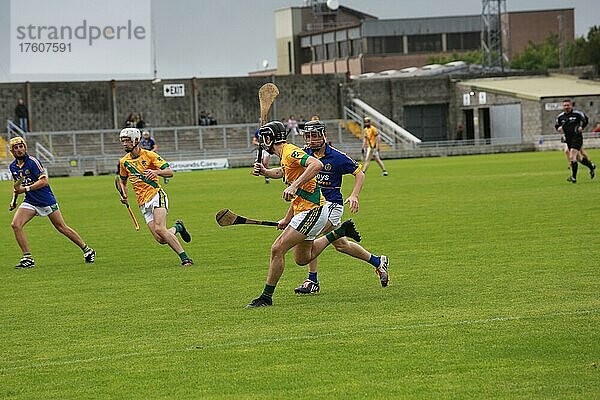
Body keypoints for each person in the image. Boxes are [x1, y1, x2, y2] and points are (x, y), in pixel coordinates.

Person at [248, 121, 362, 308]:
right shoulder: (285, 155)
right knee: (302, 259)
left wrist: (294, 186)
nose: (261, 143)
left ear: (269, 139)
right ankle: (339, 232)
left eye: (263, 139)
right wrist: (266, 172)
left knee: (277, 248)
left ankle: (266, 297)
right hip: (305, 210)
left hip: (313, 210)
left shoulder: (290, 151)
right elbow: (285, 172)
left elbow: (316, 164)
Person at [294, 119, 389, 294]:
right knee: (342, 246)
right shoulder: (304, 154)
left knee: (310, 232)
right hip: (313, 206)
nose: (311, 140)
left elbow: (359, 174)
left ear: (324, 135)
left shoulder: (337, 157)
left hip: (332, 205)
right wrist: (266, 171)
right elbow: (285, 170)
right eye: (308, 136)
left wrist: (354, 195)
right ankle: (378, 262)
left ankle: (312, 280)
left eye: (315, 136)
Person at [8, 137, 95, 269]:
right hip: (30, 201)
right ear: (12, 151)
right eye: (16, 148)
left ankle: (87, 250)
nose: (19, 149)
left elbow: (44, 181)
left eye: (21, 146)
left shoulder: (33, 162)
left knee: (61, 227)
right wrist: (13, 200)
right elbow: (17, 186)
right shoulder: (13, 166)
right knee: (16, 225)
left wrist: (25, 189)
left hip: (46, 200)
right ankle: (28, 258)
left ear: (25, 147)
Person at [117, 128, 193, 266]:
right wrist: (124, 195)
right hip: (142, 202)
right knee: (161, 239)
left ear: (136, 140)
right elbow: (123, 182)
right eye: (122, 141)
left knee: (159, 228)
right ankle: (178, 227)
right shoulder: (124, 162)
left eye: (127, 140)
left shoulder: (150, 155)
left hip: (156, 195)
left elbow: (169, 172)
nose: (124, 144)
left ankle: (185, 258)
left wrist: (156, 172)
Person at [555, 99, 594, 183]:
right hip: (568, 139)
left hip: (577, 137)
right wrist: (558, 128)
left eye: (568, 105)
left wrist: (582, 127)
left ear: (571, 106)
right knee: (578, 158)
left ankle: (573, 177)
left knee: (572, 155)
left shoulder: (577, 114)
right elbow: (557, 125)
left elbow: (585, 120)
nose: (566, 107)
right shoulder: (560, 116)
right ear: (563, 106)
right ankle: (591, 166)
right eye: (565, 105)